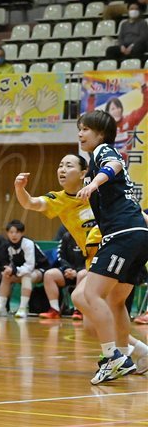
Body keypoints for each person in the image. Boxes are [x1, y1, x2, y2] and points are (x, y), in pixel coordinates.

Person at [72, 109, 148, 384]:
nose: (80, 134)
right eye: (79, 129)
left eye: (85, 129)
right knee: (116, 302)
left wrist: (93, 183)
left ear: (101, 134)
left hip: (122, 235)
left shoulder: (103, 151)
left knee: (91, 294)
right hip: (138, 234)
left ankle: (113, 357)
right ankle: (129, 355)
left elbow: (114, 163)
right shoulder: (93, 165)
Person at [13, 154, 100, 321]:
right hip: (91, 261)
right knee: (96, 308)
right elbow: (29, 203)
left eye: (69, 166)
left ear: (83, 173)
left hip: (113, 253)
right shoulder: (57, 199)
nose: (62, 170)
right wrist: (19, 188)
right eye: (60, 165)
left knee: (90, 301)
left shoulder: (98, 192)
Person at [0, 220, 45, 318]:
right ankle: (1, 308)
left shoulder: (28, 243)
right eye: (11, 232)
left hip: (39, 270)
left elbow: (30, 266)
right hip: (20, 270)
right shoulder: (5, 245)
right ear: (7, 233)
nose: (14, 235)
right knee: (6, 276)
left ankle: (22, 308)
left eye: (17, 232)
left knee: (26, 276)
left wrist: (14, 270)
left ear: (22, 233)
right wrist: (7, 269)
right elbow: (2, 261)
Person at [85, 83, 148, 159]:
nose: (117, 111)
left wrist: (144, 88)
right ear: (108, 112)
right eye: (113, 109)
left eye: (118, 107)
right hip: (106, 160)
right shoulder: (103, 124)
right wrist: (91, 97)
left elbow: (145, 107)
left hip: (123, 161)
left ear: (121, 109)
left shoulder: (129, 119)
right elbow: (90, 117)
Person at [39, 231, 88, 319]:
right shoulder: (66, 236)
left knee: (82, 274)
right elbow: (61, 255)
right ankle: (54, 310)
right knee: (49, 274)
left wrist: (77, 271)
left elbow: (92, 257)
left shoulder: (90, 236)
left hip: (85, 272)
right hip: (68, 272)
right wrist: (67, 268)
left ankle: (78, 310)